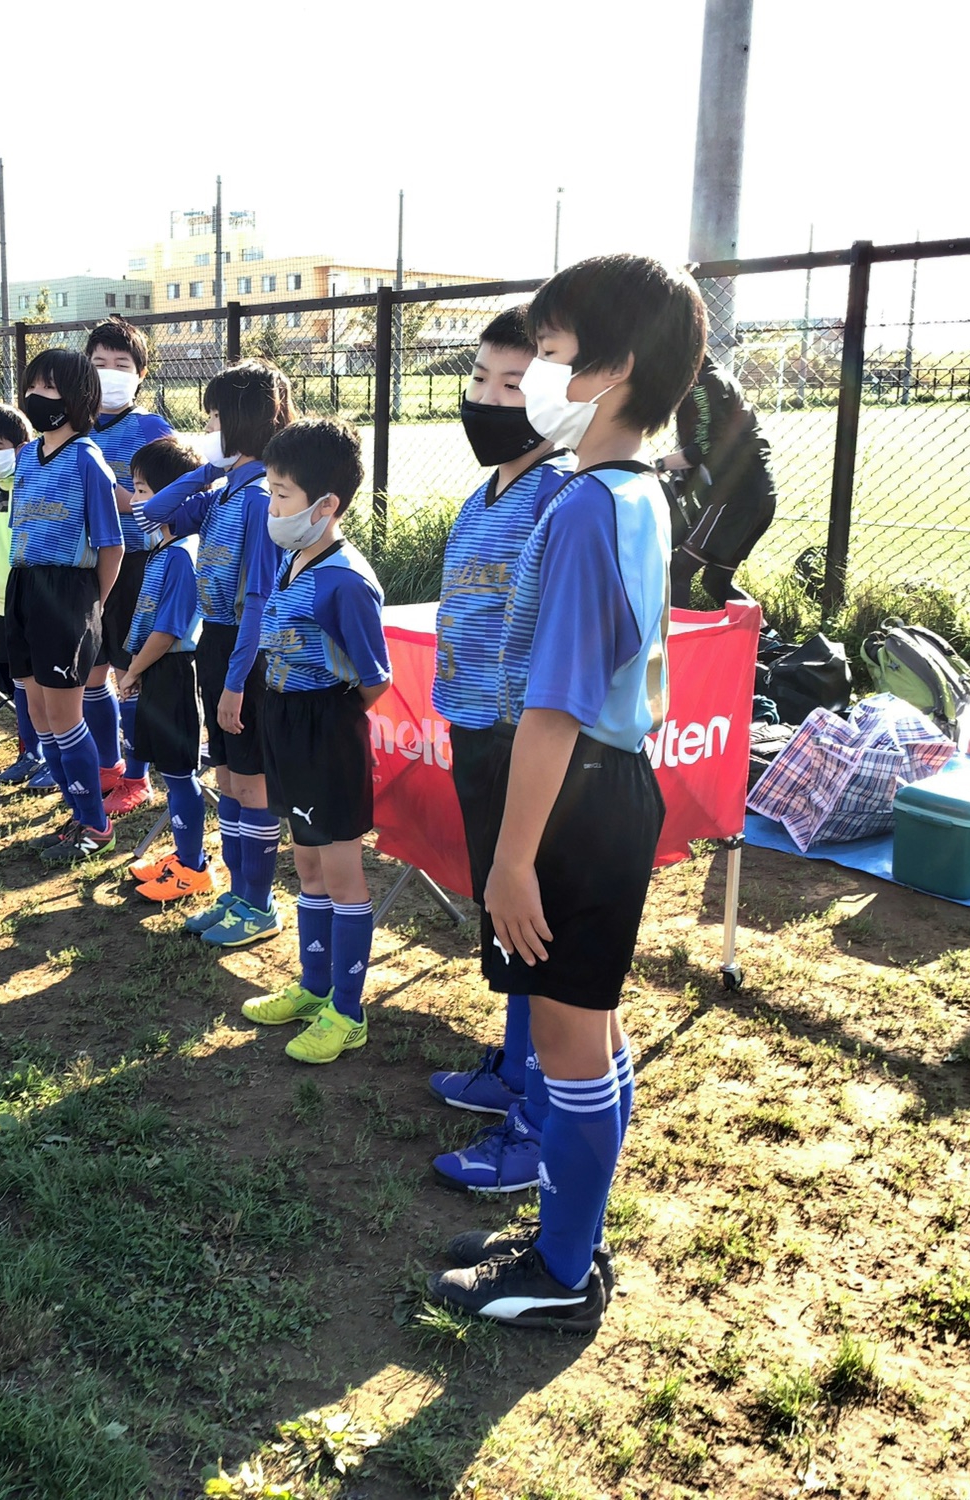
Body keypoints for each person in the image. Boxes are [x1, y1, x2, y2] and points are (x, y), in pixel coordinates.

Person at [428, 253, 705, 1332]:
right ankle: (567, 1240)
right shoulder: (629, 488)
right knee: (586, 1027)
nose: (533, 374)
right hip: (603, 790)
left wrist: (507, 859)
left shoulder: (588, 505)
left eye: (545, 355)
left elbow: (552, 707)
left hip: (570, 800)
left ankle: (555, 1272)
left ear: (612, 370)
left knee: (567, 1041)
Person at [424, 304, 577, 1193]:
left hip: (529, 744)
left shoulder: (561, 494)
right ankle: (515, 1070)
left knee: (533, 924)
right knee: (501, 915)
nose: (488, 398)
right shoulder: (485, 495)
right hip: (475, 728)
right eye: (479, 379)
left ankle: (537, 1126)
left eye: (513, 384)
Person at [235, 419, 391, 1064]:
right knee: (304, 864)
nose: (271, 507)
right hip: (286, 725)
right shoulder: (292, 558)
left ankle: (348, 1014)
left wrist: (325, 717)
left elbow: (374, 681)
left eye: (281, 496)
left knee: (342, 871)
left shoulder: (348, 581)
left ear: (326, 506)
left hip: (327, 731)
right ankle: (314, 986)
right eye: (270, 491)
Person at [136, 359, 290, 948]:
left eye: (216, 417)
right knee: (226, 776)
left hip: (242, 652)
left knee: (250, 784)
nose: (210, 426)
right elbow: (153, 511)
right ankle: (233, 892)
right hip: (216, 646)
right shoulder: (226, 489)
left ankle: (259, 902)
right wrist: (207, 468)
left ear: (242, 420)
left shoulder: (258, 500)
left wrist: (234, 681)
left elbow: (258, 599)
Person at [5, 347, 124, 862]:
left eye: (50, 389)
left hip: (68, 593)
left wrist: (90, 607)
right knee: (36, 711)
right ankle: (76, 812)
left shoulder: (87, 459)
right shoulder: (28, 456)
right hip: (24, 586)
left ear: (77, 399)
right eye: (34, 386)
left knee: (64, 714)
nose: (37, 397)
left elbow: (112, 545)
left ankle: (96, 827)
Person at [81, 317, 175, 818]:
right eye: (99, 364)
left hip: (138, 565)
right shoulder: (72, 429)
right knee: (92, 673)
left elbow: (175, 499)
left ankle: (138, 778)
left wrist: (120, 499)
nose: (110, 373)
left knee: (128, 673)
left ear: (140, 375)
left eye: (122, 365)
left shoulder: (153, 430)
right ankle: (108, 765)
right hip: (85, 566)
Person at [117, 436, 210, 901]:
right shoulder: (163, 550)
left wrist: (133, 670)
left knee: (179, 774)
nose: (134, 500)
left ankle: (193, 867)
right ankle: (182, 856)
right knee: (171, 775)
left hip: (174, 672)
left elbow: (169, 630)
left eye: (141, 489)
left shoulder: (181, 554)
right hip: (157, 671)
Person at [0, 403, 52, 786]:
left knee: (51, 685)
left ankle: (56, 756)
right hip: (7, 602)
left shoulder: (39, 484)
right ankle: (29, 751)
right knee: (21, 682)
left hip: (44, 599)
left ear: (24, 444)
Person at [662, 351, 777, 606]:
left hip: (735, 495)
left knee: (679, 572)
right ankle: (770, 642)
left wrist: (658, 464)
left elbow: (702, 450)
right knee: (716, 582)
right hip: (760, 493)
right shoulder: (717, 378)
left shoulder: (704, 385)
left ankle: (681, 645)